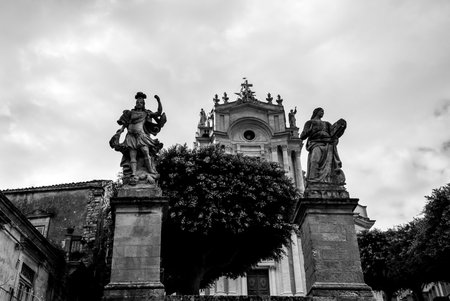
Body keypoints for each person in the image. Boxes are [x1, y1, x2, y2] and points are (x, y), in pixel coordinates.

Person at [112, 92, 166, 184]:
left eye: (141, 103)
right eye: (137, 102)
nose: (139, 104)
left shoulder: (146, 113)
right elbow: (125, 124)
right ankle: (133, 174)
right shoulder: (130, 113)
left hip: (141, 136)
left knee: (145, 152)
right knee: (132, 156)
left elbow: (158, 112)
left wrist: (158, 100)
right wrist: (120, 132)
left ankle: (151, 171)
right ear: (136, 103)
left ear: (143, 104)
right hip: (130, 136)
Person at [299, 107, 346, 186]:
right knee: (315, 160)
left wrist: (342, 127)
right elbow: (302, 136)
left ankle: (327, 181)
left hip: (327, 144)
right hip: (316, 143)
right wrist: (309, 131)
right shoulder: (310, 122)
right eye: (321, 111)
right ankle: (313, 180)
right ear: (316, 112)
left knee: (329, 165)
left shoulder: (327, 123)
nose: (322, 113)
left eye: (323, 111)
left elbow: (334, 133)